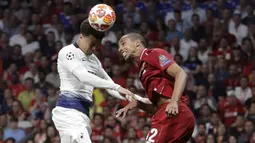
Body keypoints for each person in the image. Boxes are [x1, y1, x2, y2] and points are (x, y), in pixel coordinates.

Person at [51, 19, 134, 143]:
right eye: (92, 44)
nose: (94, 49)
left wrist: (131, 97)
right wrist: (116, 87)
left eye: (97, 46)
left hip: (83, 113)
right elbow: (84, 77)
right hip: (68, 111)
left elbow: (110, 87)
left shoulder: (94, 60)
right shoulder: (67, 52)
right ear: (81, 37)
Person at [116, 33, 195, 143]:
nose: (120, 49)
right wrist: (138, 104)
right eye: (119, 46)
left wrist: (174, 102)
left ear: (137, 43)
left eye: (123, 44)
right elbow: (158, 107)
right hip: (173, 115)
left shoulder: (154, 54)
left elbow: (181, 74)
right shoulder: (142, 70)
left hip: (176, 114)